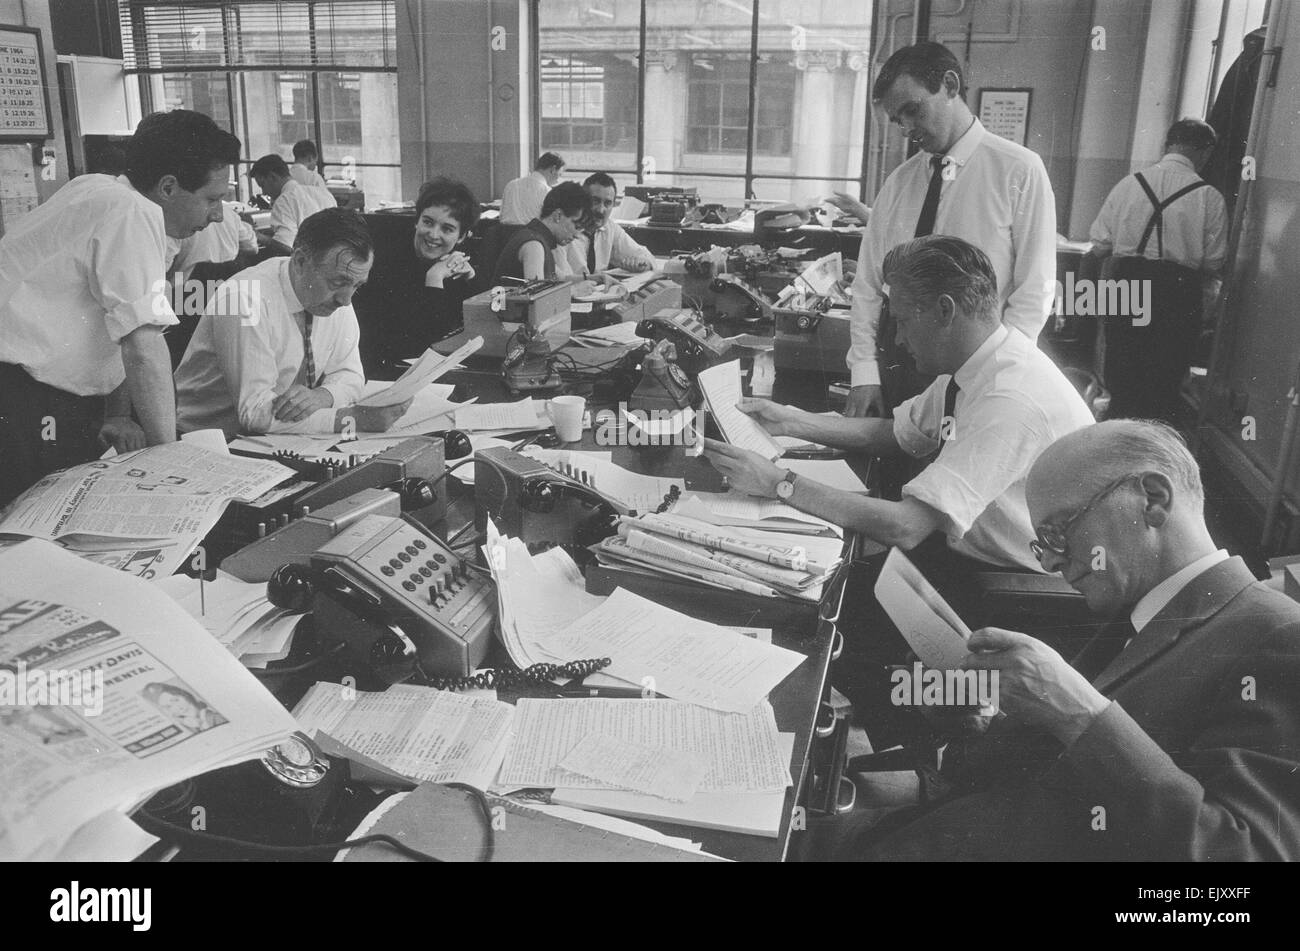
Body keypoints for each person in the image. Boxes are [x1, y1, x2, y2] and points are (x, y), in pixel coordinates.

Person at [831, 419, 1300, 861]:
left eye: (1058, 533)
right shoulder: (1135, 606)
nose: (1052, 564)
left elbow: (1241, 863)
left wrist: (1074, 709)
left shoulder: (1280, 635)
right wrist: (981, 722)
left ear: (1153, 500)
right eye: (1041, 545)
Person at [705, 235, 1093, 573]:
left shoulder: (1010, 401)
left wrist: (779, 484)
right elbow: (897, 432)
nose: (900, 339)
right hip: (964, 558)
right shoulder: (987, 362)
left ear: (945, 311)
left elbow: (906, 526)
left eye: (903, 321)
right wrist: (791, 422)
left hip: (1001, 586)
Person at [0, 109, 239, 507]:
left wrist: (116, 414)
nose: (217, 215)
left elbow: (118, 322)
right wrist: (171, 462)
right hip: (23, 397)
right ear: (168, 187)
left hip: (40, 395)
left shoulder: (100, 190)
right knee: (30, 531)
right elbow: (143, 347)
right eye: (212, 199)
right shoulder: (130, 212)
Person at [844, 42, 1056, 419]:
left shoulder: (1019, 170)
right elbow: (868, 286)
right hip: (902, 366)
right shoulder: (899, 183)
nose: (907, 129)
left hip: (979, 376)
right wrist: (864, 372)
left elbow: (1033, 291)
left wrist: (997, 379)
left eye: (913, 110)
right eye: (898, 120)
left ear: (950, 86)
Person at [174, 207, 411, 439]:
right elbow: (255, 412)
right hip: (206, 439)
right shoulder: (244, 299)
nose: (346, 300)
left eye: (357, 286)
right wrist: (352, 419)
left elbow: (350, 375)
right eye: (338, 282)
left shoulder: (337, 296)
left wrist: (324, 395)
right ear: (299, 261)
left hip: (276, 437)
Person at [1086, 118, 1227, 422]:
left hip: (1126, 281)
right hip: (1177, 290)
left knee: (1121, 371)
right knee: (1164, 379)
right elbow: (1214, 262)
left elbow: (1100, 243)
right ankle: (1152, 447)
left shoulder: (1128, 184)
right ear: (1205, 151)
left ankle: (1116, 437)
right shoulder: (1209, 196)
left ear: (1169, 144)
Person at [357, 176, 480, 376]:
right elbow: (426, 340)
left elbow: (476, 334)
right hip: (386, 374)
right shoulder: (385, 265)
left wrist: (471, 278)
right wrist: (434, 279)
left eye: (447, 229)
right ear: (417, 221)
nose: (433, 234)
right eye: (428, 222)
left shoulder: (453, 265)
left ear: (463, 236)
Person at [554, 172, 655, 280]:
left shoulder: (609, 228)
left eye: (607, 203)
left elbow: (647, 256)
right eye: (595, 201)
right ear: (583, 200)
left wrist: (642, 264)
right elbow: (561, 280)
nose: (601, 210)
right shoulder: (564, 231)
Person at [491, 181, 587, 285]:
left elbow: (562, 278)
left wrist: (595, 278)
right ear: (558, 215)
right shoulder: (534, 244)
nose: (577, 235)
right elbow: (537, 293)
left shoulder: (537, 236)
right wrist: (573, 291)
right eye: (576, 226)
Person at [249, 154, 336, 254]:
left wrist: (256, 235)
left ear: (272, 177)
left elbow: (285, 247)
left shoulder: (284, 200)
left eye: (262, 185)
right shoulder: (324, 193)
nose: (263, 192)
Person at [499, 151, 565, 225]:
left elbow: (501, 217)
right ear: (553, 169)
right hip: (532, 235)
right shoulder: (547, 192)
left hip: (505, 234)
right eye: (559, 175)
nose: (557, 181)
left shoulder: (511, 184)